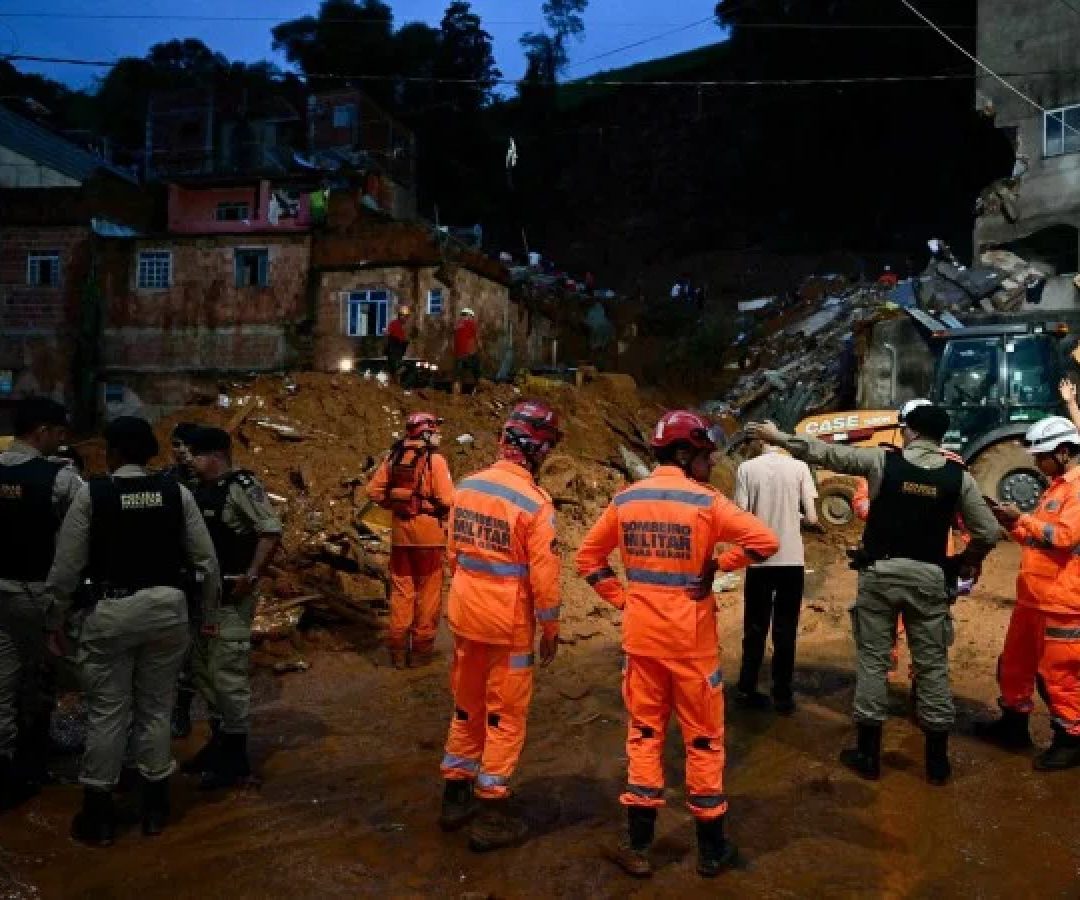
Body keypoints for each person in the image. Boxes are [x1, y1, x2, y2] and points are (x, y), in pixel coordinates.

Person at [746, 405, 1000, 786]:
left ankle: (868, 755)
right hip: (930, 579)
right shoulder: (957, 478)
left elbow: (826, 453)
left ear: (912, 432)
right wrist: (967, 560)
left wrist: (779, 437)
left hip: (881, 576)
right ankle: (937, 763)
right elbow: (989, 531)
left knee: (873, 663)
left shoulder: (883, 462)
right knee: (932, 667)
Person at [576, 411, 780, 879]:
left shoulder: (627, 500)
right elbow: (765, 541)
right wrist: (720, 565)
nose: (711, 463)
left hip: (642, 640)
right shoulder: (706, 502)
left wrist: (623, 599)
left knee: (645, 735)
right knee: (703, 741)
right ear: (684, 454)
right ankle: (712, 850)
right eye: (707, 455)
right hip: (691, 644)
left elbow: (588, 558)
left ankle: (638, 845)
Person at [44, 416, 219, 845]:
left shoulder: (92, 494)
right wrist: (209, 614)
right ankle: (155, 806)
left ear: (114, 452)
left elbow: (65, 569)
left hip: (111, 614)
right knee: (156, 708)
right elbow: (206, 561)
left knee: (107, 712)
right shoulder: (176, 493)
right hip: (167, 611)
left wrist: (55, 619)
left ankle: (99, 815)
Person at [438, 401, 562, 853]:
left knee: (466, 706)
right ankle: (491, 813)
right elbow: (545, 577)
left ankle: (454, 796)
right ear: (537, 450)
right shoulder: (534, 503)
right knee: (504, 715)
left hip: (465, 614)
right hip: (507, 623)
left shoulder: (467, 486)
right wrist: (550, 627)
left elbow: (453, 554)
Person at [976, 417, 1080, 769]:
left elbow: (1063, 537)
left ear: (1062, 452)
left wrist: (1021, 517)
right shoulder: (1056, 488)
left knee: (1059, 677)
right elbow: (1038, 539)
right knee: (1014, 665)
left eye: (1041, 456)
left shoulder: (1077, 489)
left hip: (1064, 604)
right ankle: (1013, 725)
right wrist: (1012, 524)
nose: (1036, 463)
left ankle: (1071, 740)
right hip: (1034, 598)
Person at [185, 427, 282, 790]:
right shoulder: (200, 488)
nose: (189, 461)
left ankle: (236, 758)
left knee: (227, 674)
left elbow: (270, 530)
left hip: (231, 597)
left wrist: (252, 575)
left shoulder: (241, 486)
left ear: (215, 456)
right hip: (203, 597)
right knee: (204, 672)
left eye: (195, 455)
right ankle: (219, 743)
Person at [0, 396, 82, 808]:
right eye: (58, 433)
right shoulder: (59, 479)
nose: (61, 441)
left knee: (3, 681)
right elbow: (81, 537)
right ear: (42, 431)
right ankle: (34, 759)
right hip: (39, 595)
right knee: (45, 675)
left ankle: (4, 764)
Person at [732, 433, 818, 714]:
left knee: (754, 628)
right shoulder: (800, 468)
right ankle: (782, 694)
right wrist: (795, 518)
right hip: (791, 561)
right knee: (786, 629)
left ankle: (746, 687)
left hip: (758, 560)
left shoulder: (746, 468)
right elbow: (813, 518)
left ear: (762, 443)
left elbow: (740, 516)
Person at [367, 412, 454, 668]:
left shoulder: (393, 457)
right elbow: (448, 499)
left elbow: (373, 491)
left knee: (401, 593)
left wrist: (396, 506)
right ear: (426, 433)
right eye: (435, 430)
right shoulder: (435, 460)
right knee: (428, 595)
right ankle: (420, 653)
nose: (438, 435)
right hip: (429, 539)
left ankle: (397, 650)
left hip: (400, 538)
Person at [163, 422, 201, 739]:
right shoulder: (163, 482)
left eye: (188, 445)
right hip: (168, 573)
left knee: (194, 647)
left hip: (200, 575)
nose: (182, 451)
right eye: (177, 444)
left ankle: (182, 708)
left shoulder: (213, 481)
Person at [453, 308, 482, 389]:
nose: (472, 318)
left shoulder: (456, 325)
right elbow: (477, 337)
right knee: (477, 370)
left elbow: (455, 340)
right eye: (471, 317)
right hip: (469, 353)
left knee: (458, 375)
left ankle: (456, 391)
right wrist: (480, 347)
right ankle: (478, 386)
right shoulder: (471, 323)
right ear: (468, 315)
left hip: (458, 354)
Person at [385, 306, 412, 379]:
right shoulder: (394, 323)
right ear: (400, 315)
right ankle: (394, 373)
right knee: (394, 366)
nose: (405, 318)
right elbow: (388, 333)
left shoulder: (405, 326)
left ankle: (397, 374)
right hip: (394, 348)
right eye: (403, 316)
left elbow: (406, 339)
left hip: (401, 349)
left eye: (406, 317)